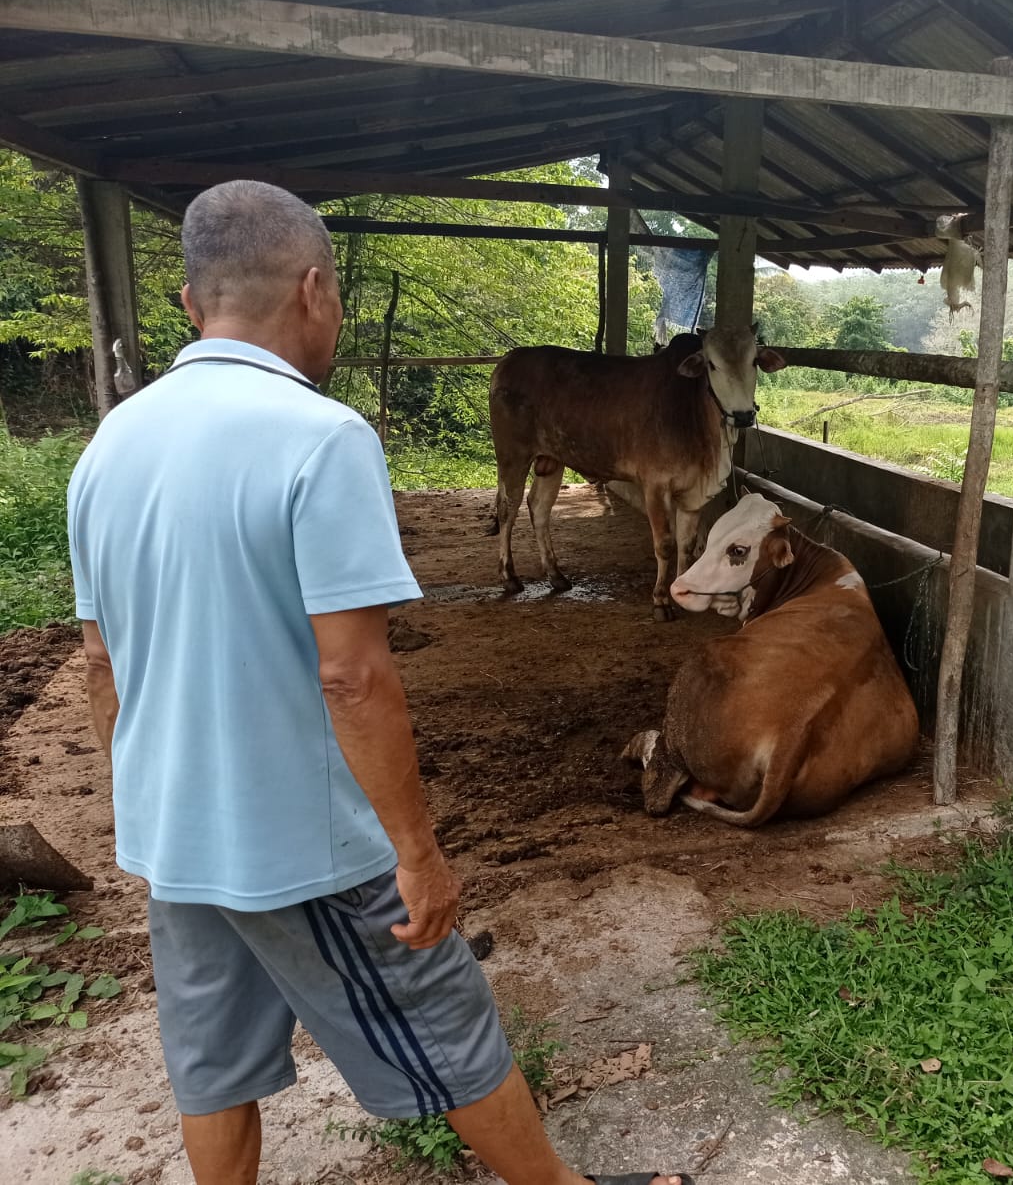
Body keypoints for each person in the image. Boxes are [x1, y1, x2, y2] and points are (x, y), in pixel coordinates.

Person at [67, 180, 690, 1185]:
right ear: (316, 289)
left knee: (211, 1062)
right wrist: (416, 847)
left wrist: (146, 805)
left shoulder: (109, 447)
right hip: (300, 840)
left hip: (172, 835)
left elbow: (101, 664)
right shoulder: (319, 436)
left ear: (191, 303)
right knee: (447, 1023)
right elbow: (353, 675)